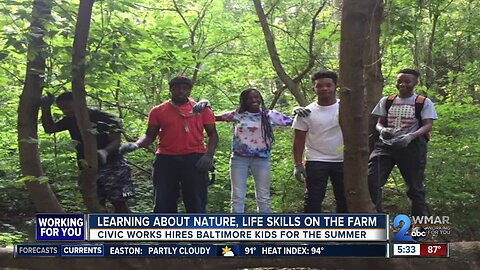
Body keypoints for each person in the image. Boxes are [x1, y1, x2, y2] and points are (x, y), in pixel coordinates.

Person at [120, 76, 218, 213]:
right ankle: (165, 231)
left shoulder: (202, 109)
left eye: (185, 88)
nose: (181, 91)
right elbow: (150, 135)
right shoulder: (158, 111)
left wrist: (208, 155)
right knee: (163, 202)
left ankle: (197, 231)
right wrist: (136, 144)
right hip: (166, 159)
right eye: (177, 88)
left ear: (190, 91)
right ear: (171, 89)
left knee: (196, 201)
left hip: (195, 158)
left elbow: (213, 134)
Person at [40, 91, 134, 213]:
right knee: (95, 204)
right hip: (88, 168)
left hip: (112, 166)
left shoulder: (105, 118)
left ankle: (129, 229)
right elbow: (50, 129)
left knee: (119, 204)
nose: (65, 112)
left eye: (68, 107)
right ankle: (101, 230)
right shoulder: (70, 119)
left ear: (79, 103)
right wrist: (45, 108)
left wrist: (104, 152)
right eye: (62, 109)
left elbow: (116, 141)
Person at [368, 69, 437, 216]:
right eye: (399, 81)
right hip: (385, 146)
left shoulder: (423, 102)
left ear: (415, 83)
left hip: (412, 147)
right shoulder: (387, 101)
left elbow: (427, 124)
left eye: (407, 81)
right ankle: (378, 222)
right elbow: (379, 123)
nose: (402, 84)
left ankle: (419, 230)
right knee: (372, 181)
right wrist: (382, 130)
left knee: (415, 188)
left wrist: (411, 136)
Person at [292, 71, 348, 213]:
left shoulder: (347, 108)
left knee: (344, 198)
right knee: (313, 199)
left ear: (336, 86)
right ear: (314, 89)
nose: (324, 89)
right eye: (319, 86)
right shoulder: (306, 112)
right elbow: (298, 140)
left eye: (328, 85)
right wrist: (298, 164)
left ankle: (344, 231)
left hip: (343, 160)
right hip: (316, 160)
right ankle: (311, 232)